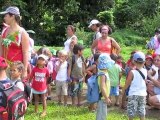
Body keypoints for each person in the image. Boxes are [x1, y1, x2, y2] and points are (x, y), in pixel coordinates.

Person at [0, 6, 30, 78]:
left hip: (16, 70)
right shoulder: (4, 31)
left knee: (15, 88)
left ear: (12, 16)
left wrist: (25, 70)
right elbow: (1, 48)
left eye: (6, 16)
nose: (4, 18)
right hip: (4, 68)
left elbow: (25, 53)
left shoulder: (22, 33)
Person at [123, 51, 147, 120]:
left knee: (131, 111)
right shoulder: (145, 71)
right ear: (144, 62)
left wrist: (123, 89)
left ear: (134, 61)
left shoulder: (132, 72)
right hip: (142, 94)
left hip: (133, 94)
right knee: (142, 110)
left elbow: (127, 83)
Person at [96, 53, 112, 120]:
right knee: (101, 113)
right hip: (102, 97)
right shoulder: (102, 74)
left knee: (103, 113)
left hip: (104, 97)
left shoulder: (105, 72)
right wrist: (106, 97)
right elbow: (102, 87)